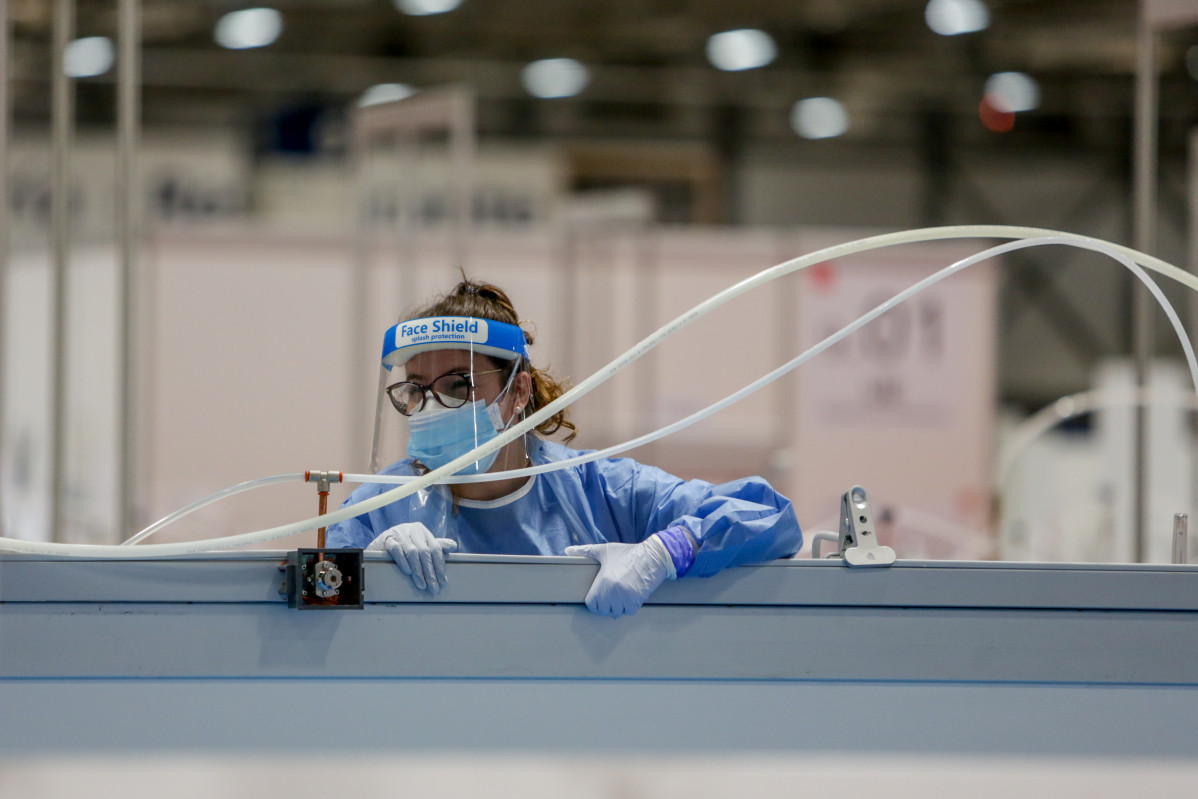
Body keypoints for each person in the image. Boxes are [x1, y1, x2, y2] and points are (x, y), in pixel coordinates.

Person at [326, 279, 803, 616]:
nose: (433, 407)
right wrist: (368, 565)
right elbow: (317, 599)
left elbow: (766, 515)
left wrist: (668, 550)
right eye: (416, 390)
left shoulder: (599, 490)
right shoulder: (382, 507)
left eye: (458, 385)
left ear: (517, 392)